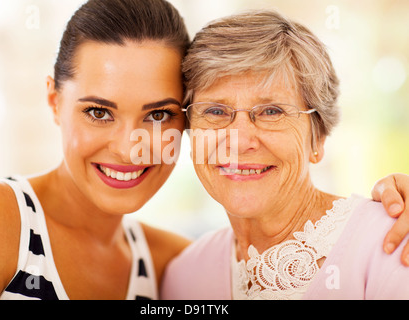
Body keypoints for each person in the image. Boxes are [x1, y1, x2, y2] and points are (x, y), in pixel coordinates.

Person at [0, 0, 407, 300]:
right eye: (99, 111)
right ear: (54, 102)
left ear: (319, 136)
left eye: (157, 115)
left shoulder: (166, 265)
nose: (131, 145)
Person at [161, 10, 409, 300]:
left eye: (271, 111)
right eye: (215, 111)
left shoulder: (393, 241)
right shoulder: (183, 275)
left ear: (318, 136)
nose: (240, 141)